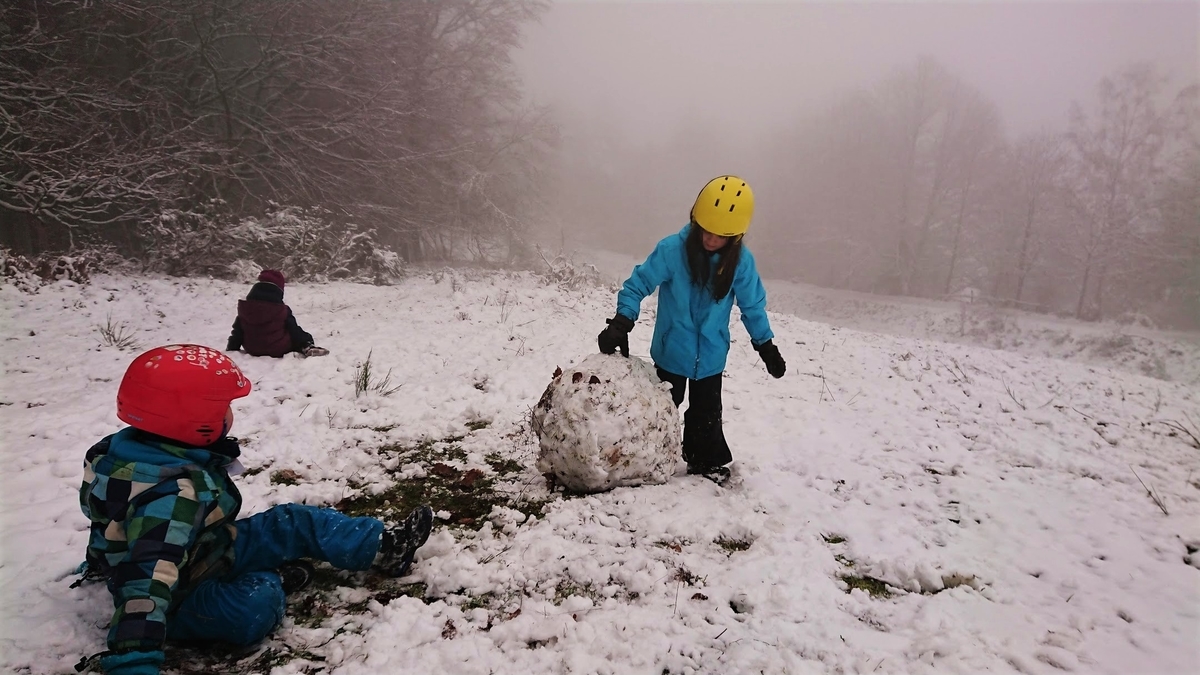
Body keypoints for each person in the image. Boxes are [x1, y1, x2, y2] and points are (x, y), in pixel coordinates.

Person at [77, 344, 432, 675]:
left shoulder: (124, 453)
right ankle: (275, 579)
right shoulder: (171, 497)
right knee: (251, 606)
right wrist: (133, 658)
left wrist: (100, 557)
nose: (230, 414)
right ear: (193, 419)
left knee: (294, 520)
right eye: (223, 408)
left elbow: (105, 519)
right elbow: (147, 577)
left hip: (211, 545)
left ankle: (383, 546)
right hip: (179, 591)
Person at [597, 175, 786, 484]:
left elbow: (753, 306)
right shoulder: (673, 250)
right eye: (706, 231)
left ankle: (704, 460)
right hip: (672, 350)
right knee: (660, 410)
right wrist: (622, 321)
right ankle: (649, 456)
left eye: (720, 235)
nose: (711, 239)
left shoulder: (741, 263)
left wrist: (765, 346)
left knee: (706, 413)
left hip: (711, 355)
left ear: (735, 237)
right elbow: (638, 284)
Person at [226, 269, 328, 357]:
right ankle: (306, 346)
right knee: (299, 334)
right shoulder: (282, 310)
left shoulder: (246, 308)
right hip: (278, 349)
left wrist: (232, 348)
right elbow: (294, 330)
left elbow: (237, 331)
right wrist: (304, 339)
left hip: (252, 348)